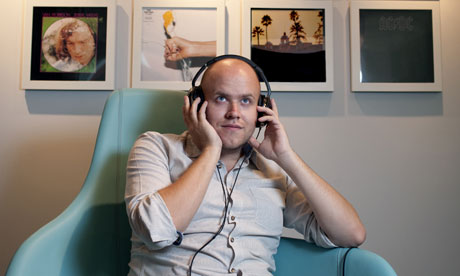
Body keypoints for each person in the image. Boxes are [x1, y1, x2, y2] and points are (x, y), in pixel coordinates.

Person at [125, 55, 366, 276]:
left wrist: (286, 156)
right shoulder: (156, 147)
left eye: (246, 101)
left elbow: (351, 234)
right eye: (221, 98)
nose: (234, 113)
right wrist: (211, 151)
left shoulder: (273, 171)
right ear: (198, 103)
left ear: (261, 111)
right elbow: (156, 231)